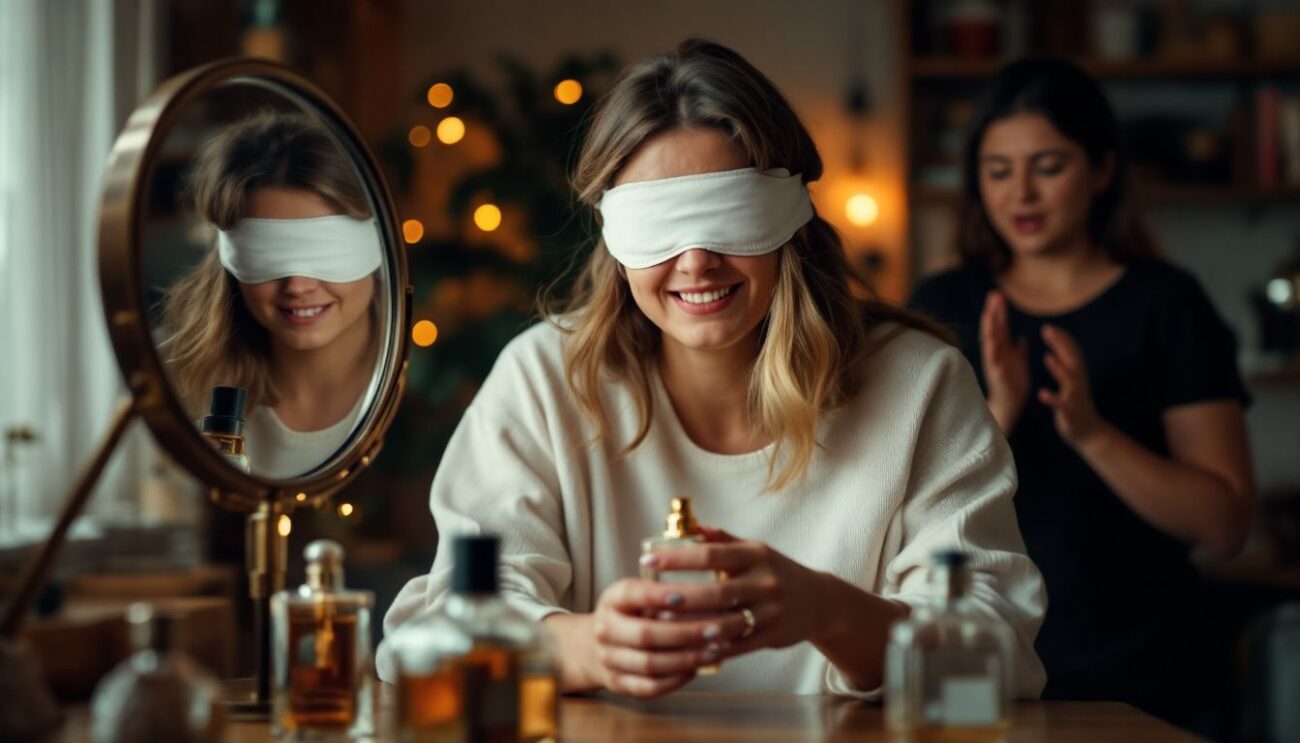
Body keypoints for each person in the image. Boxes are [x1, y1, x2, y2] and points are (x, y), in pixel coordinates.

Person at [380, 39, 1046, 698]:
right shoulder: (542, 381)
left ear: (791, 215)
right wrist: (590, 650)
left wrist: (826, 610)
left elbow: (997, 651)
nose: (695, 261)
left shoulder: (921, 386)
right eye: (660, 224)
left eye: (727, 215)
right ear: (613, 235)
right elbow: (430, 637)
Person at [907, 58, 1254, 730]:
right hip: (986, 659)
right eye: (998, 170)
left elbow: (1225, 525)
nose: (1022, 195)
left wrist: (1092, 431)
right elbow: (899, 506)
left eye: (1049, 165)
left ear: (1101, 170)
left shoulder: (1167, 304)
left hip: (1148, 670)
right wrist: (997, 417)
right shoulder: (944, 303)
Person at [161, 111, 384, 479]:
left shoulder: (433, 399)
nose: (297, 285)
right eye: (268, 254)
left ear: (377, 242)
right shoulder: (176, 385)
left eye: (324, 251)